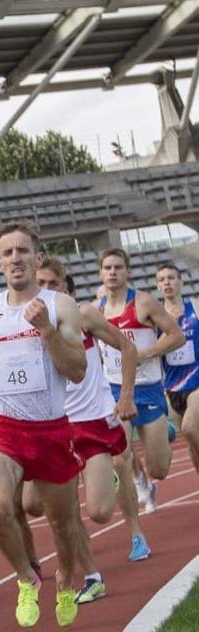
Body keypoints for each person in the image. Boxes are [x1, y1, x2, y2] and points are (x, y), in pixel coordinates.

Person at [0, 221, 86, 630]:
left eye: (23, 251)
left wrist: (46, 330)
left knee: (63, 525)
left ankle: (66, 581)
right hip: (3, 428)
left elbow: (78, 370)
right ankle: (25, 577)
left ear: (36, 256)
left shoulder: (60, 305)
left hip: (51, 430)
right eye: (8, 253)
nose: (16, 258)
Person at [30, 261, 149, 606]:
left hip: (92, 422)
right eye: (41, 283)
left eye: (54, 283)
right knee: (39, 507)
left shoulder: (84, 316)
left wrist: (125, 396)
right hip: (53, 426)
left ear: (66, 287)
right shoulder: (23, 323)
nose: (48, 289)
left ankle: (110, 479)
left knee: (98, 512)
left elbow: (128, 348)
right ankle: (93, 577)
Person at [97, 248, 184, 518]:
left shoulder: (144, 303)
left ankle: (166, 433)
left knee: (160, 468)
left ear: (128, 272)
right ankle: (139, 481)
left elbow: (176, 336)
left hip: (148, 389)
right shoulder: (96, 308)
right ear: (100, 273)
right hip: (113, 390)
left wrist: (142, 354)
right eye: (108, 268)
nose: (112, 272)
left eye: (118, 267)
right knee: (118, 454)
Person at [157, 262, 199, 477]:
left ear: (180, 282)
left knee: (190, 428)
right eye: (162, 279)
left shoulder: (195, 306)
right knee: (192, 443)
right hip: (172, 388)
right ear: (158, 286)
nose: (167, 283)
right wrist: (170, 325)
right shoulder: (154, 317)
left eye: (171, 278)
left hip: (197, 383)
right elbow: (153, 350)